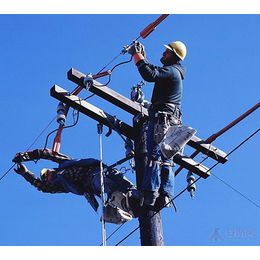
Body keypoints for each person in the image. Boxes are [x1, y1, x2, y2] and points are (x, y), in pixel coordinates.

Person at [128, 41, 188, 207]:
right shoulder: (173, 72)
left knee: (155, 156)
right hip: (170, 120)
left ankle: (150, 192)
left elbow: (149, 75)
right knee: (166, 156)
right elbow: (154, 71)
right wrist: (143, 57)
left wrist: (136, 55)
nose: (163, 54)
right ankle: (165, 194)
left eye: (166, 52)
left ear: (174, 56)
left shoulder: (172, 72)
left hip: (163, 120)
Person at [12, 148, 139, 224]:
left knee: (121, 180)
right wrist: (26, 173)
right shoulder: (61, 184)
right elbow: (42, 187)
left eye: (47, 171)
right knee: (106, 185)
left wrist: (28, 155)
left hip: (101, 168)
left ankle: (136, 196)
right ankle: (125, 205)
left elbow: (49, 154)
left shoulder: (65, 164)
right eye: (45, 176)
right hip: (91, 180)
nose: (48, 174)